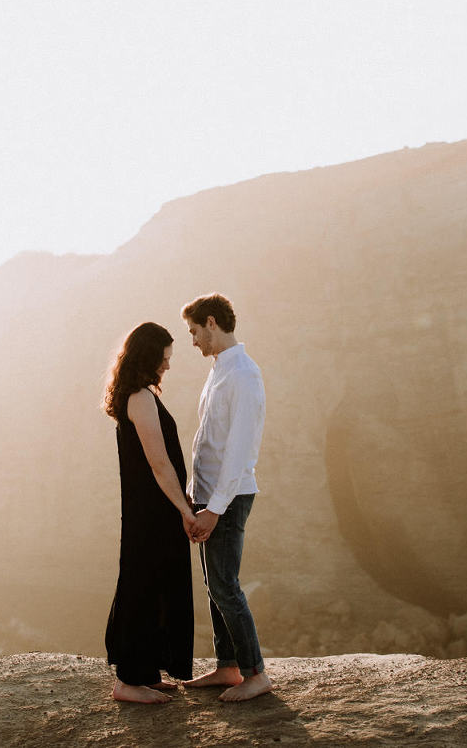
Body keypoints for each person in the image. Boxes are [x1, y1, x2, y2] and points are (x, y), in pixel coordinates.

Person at [180, 294, 273, 702]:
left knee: (225, 585)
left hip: (229, 498)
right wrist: (192, 495)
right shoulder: (220, 370)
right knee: (213, 582)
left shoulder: (244, 375)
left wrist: (215, 509)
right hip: (209, 494)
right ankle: (228, 666)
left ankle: (255, 674)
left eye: (195, 332)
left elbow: (238, 450)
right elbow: (208, 441)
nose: (194, 341)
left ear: (212, 323)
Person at [103, 321, 196, 704]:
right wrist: (184, 509)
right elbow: (159, 464)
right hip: (152, 513)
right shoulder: (140, 399)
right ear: (147, 357)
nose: (168, 366)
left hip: (153, 510)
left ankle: (145, 672)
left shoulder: (140, 395)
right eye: (164, 359)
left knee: (156, 584)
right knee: (143, 587)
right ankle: (128, 681)